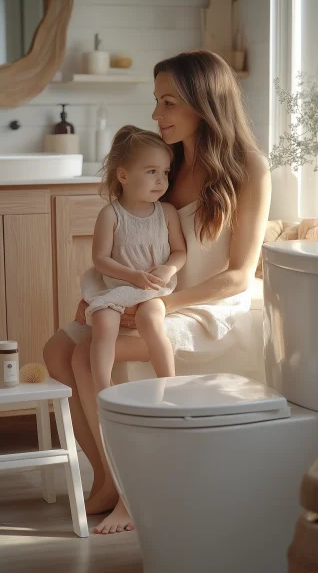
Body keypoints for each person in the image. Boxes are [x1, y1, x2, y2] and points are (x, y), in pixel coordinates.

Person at [43, 50, 271, 535]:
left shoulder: (249, 167)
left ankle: (133, 493)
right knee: (58, 348)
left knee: (89, 352)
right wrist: (105, 291)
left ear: (203, 101)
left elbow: (239, 275)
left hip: (210, 305)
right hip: (149, 297)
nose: (156, 114)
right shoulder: (168, 161)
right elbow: (136, 240)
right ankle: (106, 474)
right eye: (156, 101)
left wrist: (160, 304)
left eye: (168, 102)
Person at [82, 124, 186, 394]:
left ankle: (169, 385)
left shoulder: (167, 212)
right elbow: (100, 259)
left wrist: (168, 269)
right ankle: (103, 388)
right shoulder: (111, 214)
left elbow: (180, 251)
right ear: (124, 175)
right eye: (151, 172)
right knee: (104, 324)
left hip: (153, 290)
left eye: (165, 172)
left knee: (151, 321)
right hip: (118, 288)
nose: (161, 180)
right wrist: (132, 276)